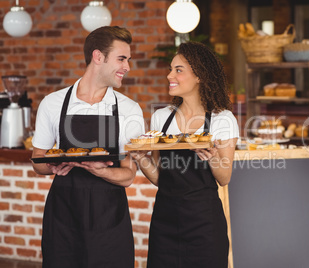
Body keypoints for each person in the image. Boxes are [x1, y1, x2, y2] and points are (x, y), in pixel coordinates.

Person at [31, 26, 145, 268]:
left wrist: (101, 170)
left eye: (128, 60)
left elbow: (128, 175)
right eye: (122, 59)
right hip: (63, 216)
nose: (127, 67)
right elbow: (37, 159)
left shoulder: (128, 109)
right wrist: (52, 167)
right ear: (98, 57)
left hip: (109, 218)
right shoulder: (53, 104)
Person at [130, 41, 239, 268]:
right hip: (165, 220)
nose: (170, 75)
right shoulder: (162, 118)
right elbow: (162, 178)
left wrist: (211, 156)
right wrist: (142, 159)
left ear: (199, 76)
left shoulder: (222, 119)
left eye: (178, 70)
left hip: (204, 223)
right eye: (171, 69)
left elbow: (224, 177)